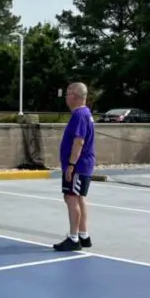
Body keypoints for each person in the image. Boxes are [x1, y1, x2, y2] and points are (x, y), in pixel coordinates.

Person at [53, 82, 95, 251]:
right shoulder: (85, 114)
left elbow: (79, 141)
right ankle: (84, 235)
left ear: (75, 96)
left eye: (68, 93)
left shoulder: (79, 115)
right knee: (78, 198)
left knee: (71, 198)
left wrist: (71, 165)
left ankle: (74, 238)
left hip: (78, 166)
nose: (66, 97)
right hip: (83, 165)